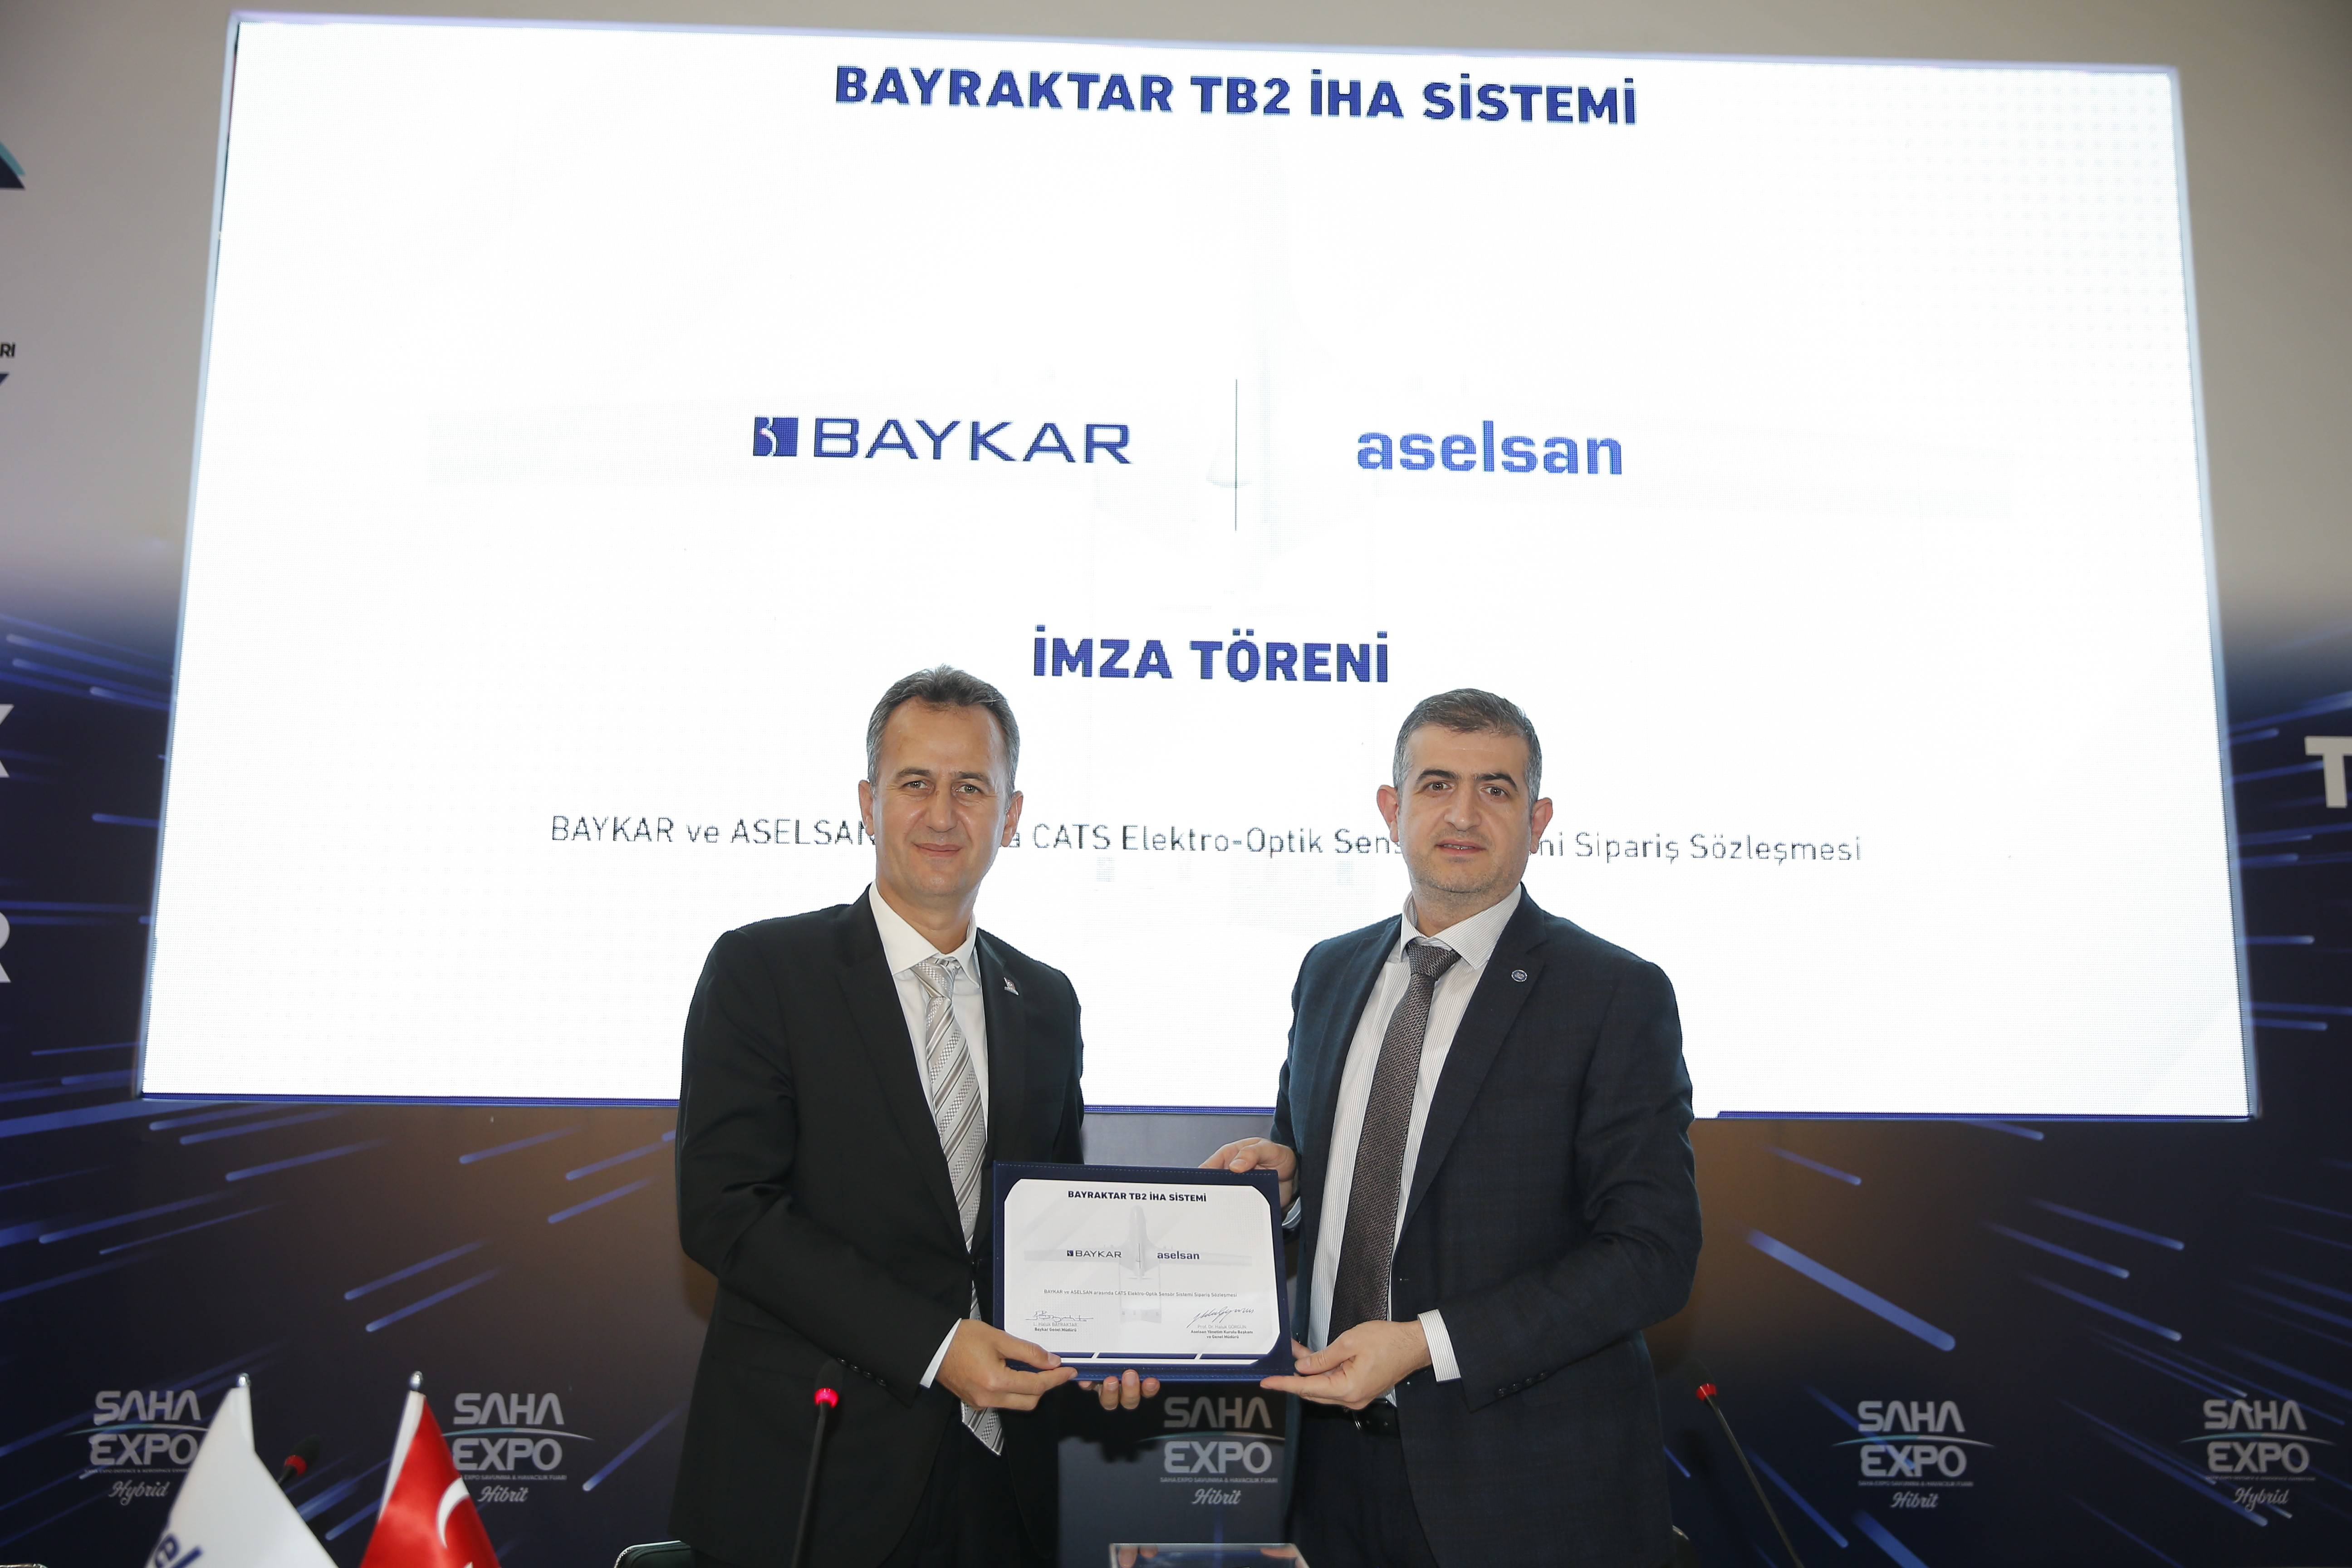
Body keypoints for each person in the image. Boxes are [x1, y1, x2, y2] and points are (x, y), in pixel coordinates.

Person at [669, 666, 1152, 1568]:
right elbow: (726, 1211)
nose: (942, 815)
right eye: (915, 783)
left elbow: (1045, 1230)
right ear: (868, 803)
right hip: (813, 1475)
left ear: (1011, 815)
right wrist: (935, 1347)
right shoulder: (763, 971)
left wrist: (1108, 1345)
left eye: (972, 787)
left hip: (1000, 1482)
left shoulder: (1047, 1001)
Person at [1209, 689, 1701, 1568]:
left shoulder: (1613, 994)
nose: (1464, 814)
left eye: (1496, 790)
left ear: (1538, 821)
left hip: (1525, 1491)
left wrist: (1423, 1345)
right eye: (1436, 785)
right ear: (1391, 809)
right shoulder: (1329, 973)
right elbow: (1329, 1176)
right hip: (1331, 1474)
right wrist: (1286, 1186)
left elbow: (1652, 1254)